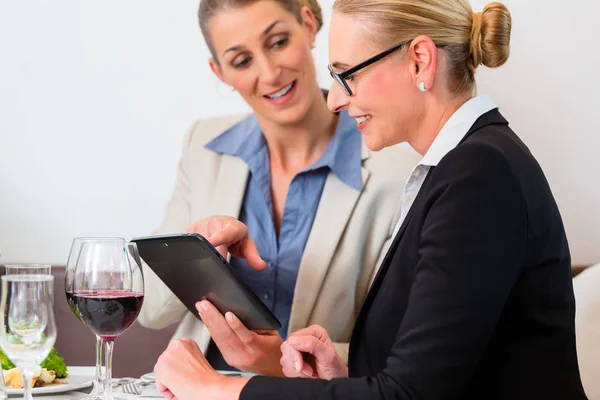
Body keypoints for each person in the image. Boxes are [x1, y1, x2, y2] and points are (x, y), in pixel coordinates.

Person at [151, 0, 590, 399]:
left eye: (349, 74)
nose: (337, 98)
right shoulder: (463, 168)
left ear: (420, 61)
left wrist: (216, 391)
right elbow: (432, 366)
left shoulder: (479, 175)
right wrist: (337, 368)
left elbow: (407, 394)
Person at [136, 0, 420, 377]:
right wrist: (197, 256)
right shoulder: (203, 144)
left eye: (279, 41)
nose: (270, 73)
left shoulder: (398, 169)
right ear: (219, 72)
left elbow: (399, 352)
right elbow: (152, 312)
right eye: (241, 61)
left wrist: (279, 364)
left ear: (307, 24)